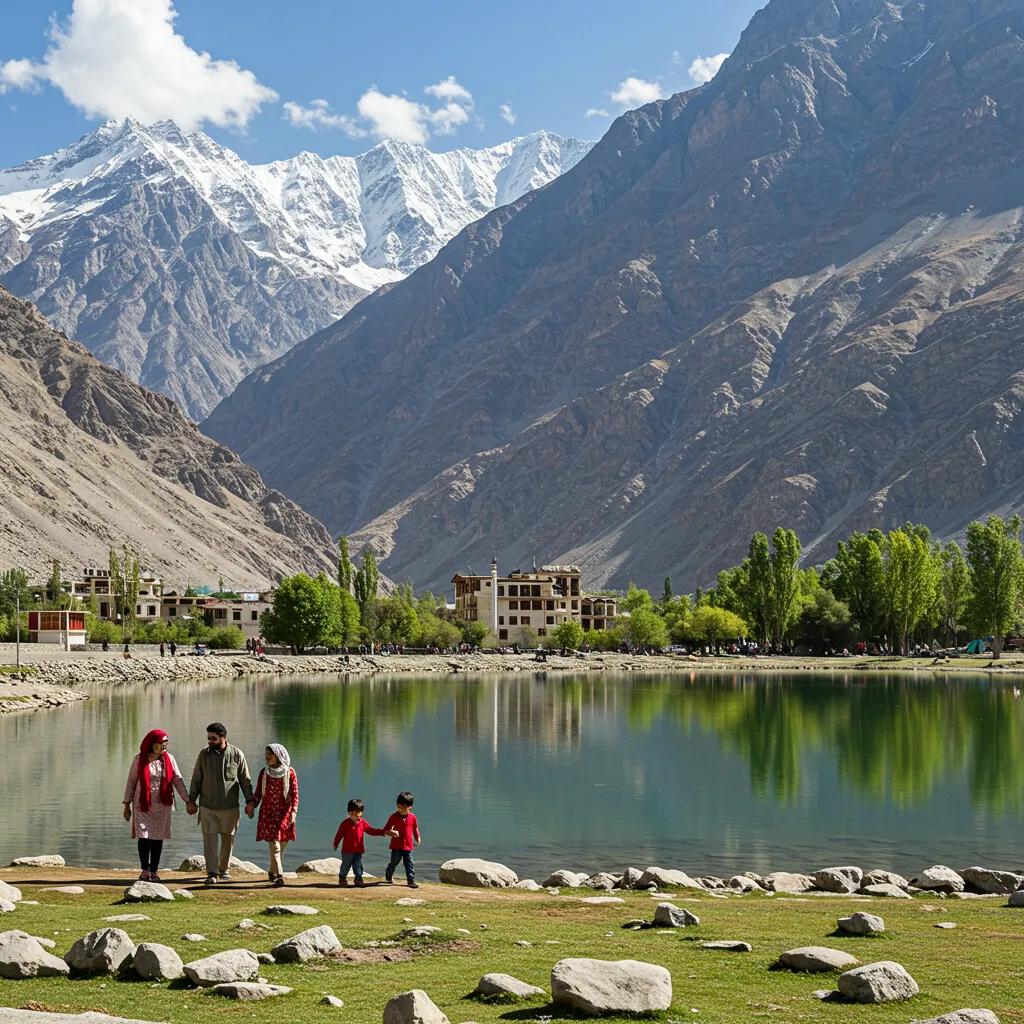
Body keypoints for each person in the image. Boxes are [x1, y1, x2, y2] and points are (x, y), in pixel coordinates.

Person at [186, 722, 254, 886]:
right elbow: (196, 779)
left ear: (223, 738)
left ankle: (223, 870)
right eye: (208, 738)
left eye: (213, 738)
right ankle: (211, 872)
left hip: (229, 807)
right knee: (209, 840)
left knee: (227, 839)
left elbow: (245, 780)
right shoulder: (203, 755)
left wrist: (250, 801)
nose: (210, 741)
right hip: (207, 806)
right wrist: (191, 801)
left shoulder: (237, 754)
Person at [122, 729, 188, 881]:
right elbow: (131, 782)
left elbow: (177, 780)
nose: (164, 747)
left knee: (158, 838)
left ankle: (154, 871)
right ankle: (144, 870)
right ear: (153, 744)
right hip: (142, 804)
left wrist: (187, 800)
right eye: (161, 744)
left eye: (166, 744)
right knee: (143, 837)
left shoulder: (169, 759)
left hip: (162, 806)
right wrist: (127, 804)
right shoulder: (139, 760)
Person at [250, 743, 298, 887]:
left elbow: (295, 794)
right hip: (268, 813)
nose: (267, 758)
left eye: (269, 756)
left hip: (285, 814)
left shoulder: (290, 773)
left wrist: (294, 811)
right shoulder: (264, 773)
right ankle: (279, 876)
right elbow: (258, 794)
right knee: (275, 845)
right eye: (266, 756)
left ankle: (272, 870)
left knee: (282, 844)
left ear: (278, 756)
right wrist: (251, 805)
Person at [332, 798, 393, 887]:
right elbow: (339, 835)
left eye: (360, 812)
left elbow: (371, 830)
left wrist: (383, 832)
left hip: (358, 850)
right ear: (350, 812)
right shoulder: (345, 824)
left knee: (358, 866)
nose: (359, 815)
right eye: (356, 812)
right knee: (346, 865)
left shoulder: (362, 823)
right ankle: (342, 878)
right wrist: (335, 844)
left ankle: (358, 878)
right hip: (347, 851)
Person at [382, 791, 421, 889]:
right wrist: (391, 832)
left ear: (409, 807)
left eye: (403, 808)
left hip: (408, 845)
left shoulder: (412, 817)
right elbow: (386, 829)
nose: (400, 810)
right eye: (398, 807)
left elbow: (415, 828)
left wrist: (418, 837)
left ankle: (410, 880)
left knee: (409, 863)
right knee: (394, 862)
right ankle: (389, 873)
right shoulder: (394, 816)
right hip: (396, 846)